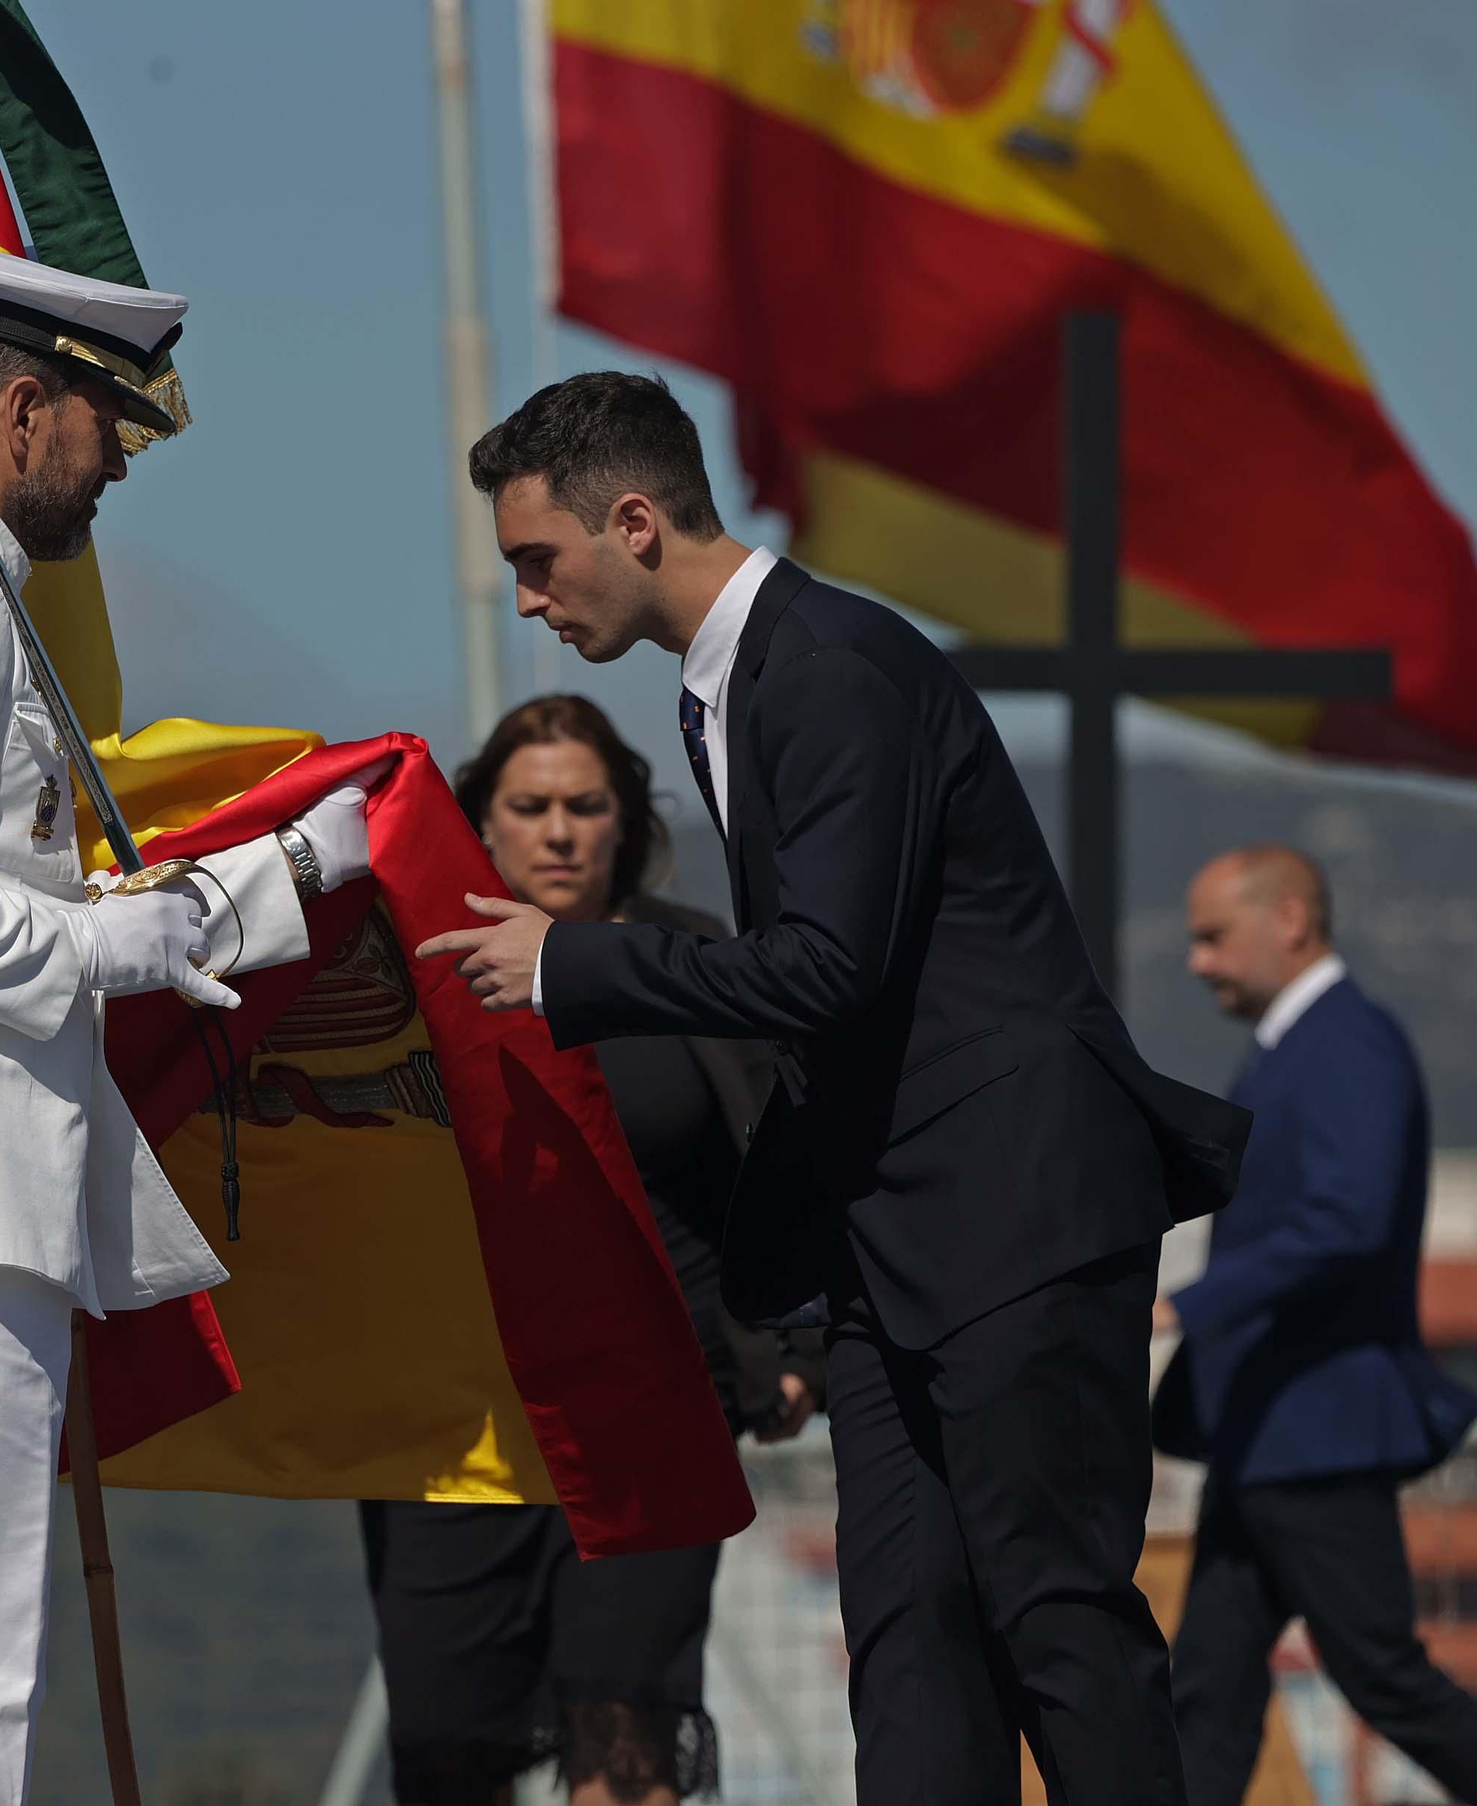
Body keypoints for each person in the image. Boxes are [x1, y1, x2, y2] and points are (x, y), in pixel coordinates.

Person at [415, 371, 1251, 1806]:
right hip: (891, 1248)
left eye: (537, 562)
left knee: (1052, 1616)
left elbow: (826, 971)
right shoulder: (737, 683)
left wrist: (577, 964)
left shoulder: (832, 666)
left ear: (632, 522)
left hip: (1019, 1215)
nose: (529, 600)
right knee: (909, 1636)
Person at [0, 245, 379, 1804]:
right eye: (105, 424)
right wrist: (92, 940)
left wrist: (241, 898)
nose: (111, 469)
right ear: (23, 411)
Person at [364, 693, 823, 1806]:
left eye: (585, 805)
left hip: (658, 1407)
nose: (560, 832)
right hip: (451, 1423)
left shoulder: (696, 963)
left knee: (625, 1744)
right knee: (450, 1750)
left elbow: (787, 1164)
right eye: (530, 808)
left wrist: (799, 1345)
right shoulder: (400, 970)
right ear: (480, 818)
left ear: (627, 820)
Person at [1155, 844, 1477, 1806]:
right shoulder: (1297, 1046)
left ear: (1290, 920)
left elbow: (1348, 1215)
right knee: (1208, 1690)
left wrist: (1187, 1304)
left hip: (1316, 1429)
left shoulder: (1346, 1041)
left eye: (1213, 937)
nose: (1198, 963)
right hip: (1269, 1435)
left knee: (1382, 1675)